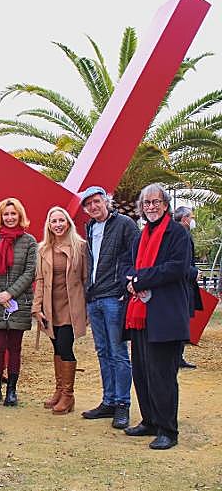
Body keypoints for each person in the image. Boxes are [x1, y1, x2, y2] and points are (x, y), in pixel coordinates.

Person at [123, 184, 191, 450]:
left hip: (165, 315)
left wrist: (139, 280)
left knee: (162, 374)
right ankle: (149, 420)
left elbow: (176, 268)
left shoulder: (177, 233)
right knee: (142, 372)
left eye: (156, 202)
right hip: (140, 314)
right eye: (146, 203)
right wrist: (131, 279)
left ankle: (167, 430)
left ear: (165, 205)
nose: (151, 207)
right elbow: (128, 265)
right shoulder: (141, 236)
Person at [80, 186, 139, 429]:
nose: (93, 207)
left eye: (97, 201)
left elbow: (137, 256)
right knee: (103, 351)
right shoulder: (90, 228)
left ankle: (122, 404)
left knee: (118, 352)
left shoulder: (125, 224)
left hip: (114, 297)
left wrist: (126, 285)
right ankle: (109, 401)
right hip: (94, 298)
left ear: (106, 201)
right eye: (88, 204)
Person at [32, 207, 87, 414]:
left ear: (68, 223)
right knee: (56, 347)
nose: (57, 225)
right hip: (50, 307)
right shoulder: (42, 249)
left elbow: (85, 279)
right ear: (49, 225)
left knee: (65, 346)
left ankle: (68, 395)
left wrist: (87, 309)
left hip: (71, 307)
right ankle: (59, 390)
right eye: (53, 221)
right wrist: (37, 307)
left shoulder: (80, 246)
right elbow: (40, 279)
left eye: (61, 220)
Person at [0, 198, 37, 406]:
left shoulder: (29, 241)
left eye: (13, 213)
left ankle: (12, 390)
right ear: (0, 217)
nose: (9, 217)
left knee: (15, 347)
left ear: (20, 215)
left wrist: (11, 293)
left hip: (19, 301)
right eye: (6, 214)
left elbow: (30, 271)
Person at [174, 206, 202, 369]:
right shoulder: (181, 234)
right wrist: (194, 272)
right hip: (183, 285)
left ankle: (179, 356)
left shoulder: (182, 232)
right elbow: (180, 261)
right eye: (191, 217)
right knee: (181, 321)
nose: (192, 220)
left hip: (185, 283)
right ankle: (177, 357)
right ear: (184, 218)